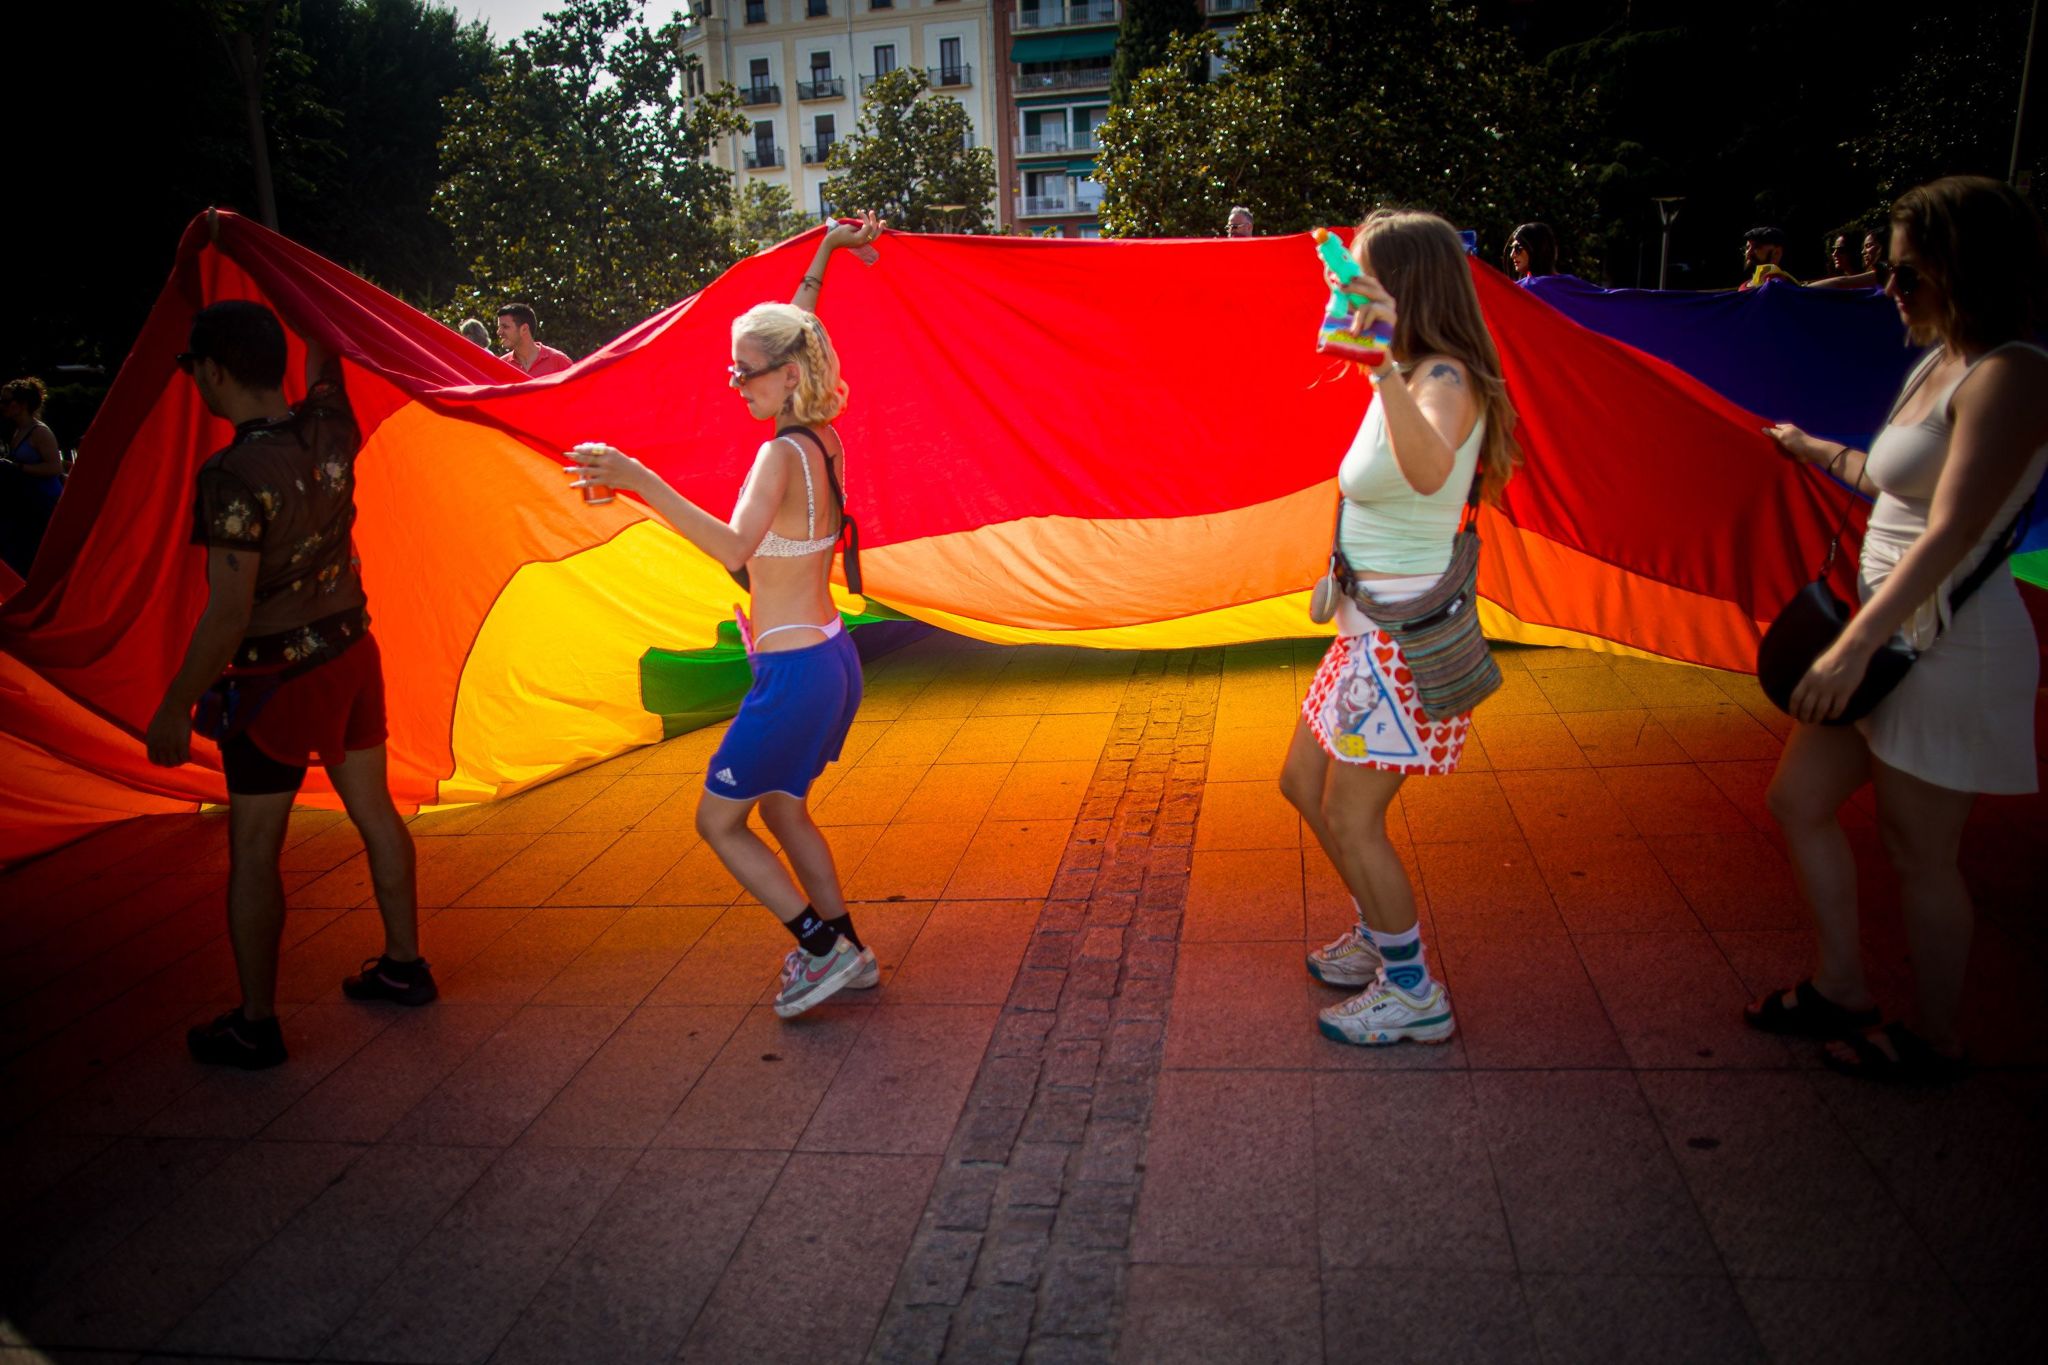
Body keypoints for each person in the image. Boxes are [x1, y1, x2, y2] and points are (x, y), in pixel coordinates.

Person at [1749, 175, 2048, 1082]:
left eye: (1908, 275)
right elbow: (1891, 486)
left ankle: (1936, 1037)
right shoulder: (1938, 360)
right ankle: (1842, 985)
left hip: (1942, 641)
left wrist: (1855, 643)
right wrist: (1809, 448)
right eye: (1890, 270)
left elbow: (1952, 527)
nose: (1889, 290)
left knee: (1923, 853)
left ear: (1969, 271)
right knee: (1797, 802)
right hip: (1887, 637)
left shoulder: (2015, 372)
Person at [566, 215, 885, 1020]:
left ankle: (822, 948)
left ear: (785, 376)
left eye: (746, 373)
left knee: (718, 820)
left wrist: (640, 475)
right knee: (781, 807)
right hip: (830, 656)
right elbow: (800, 325)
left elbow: (735, 547)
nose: (735, 383)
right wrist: (826, 252)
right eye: (733, 370)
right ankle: (852, 948)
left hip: (795, 673)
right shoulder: (824, 437)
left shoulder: (778, 456)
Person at [147, 301, 435, 1069]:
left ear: (212, 371)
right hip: (350, 651)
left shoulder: (231, 474)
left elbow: (228, 610)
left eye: (195, 370)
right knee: (375, 813)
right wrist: (294, 286)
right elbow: (325, 357)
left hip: (276, 678)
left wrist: (176, 702)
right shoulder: (329, 424)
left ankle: (255, 1020)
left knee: (254, 846)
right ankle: (405, 964)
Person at [1282, 209, 1521, 1046]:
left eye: (1371, 275)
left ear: (1409, 286)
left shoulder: (1442, 381)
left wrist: (1379, 361)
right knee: (1301, 785)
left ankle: (1413, 989)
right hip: (1364, 628)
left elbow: (1424, 477)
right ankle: (1377, 932)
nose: (1358, 289)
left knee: (1351, 816)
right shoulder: (1414, 371)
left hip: (1399, 640)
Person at [1, 376, 65, 578]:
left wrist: (17, 467)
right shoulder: (19, 430)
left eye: (6, 401)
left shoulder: (40, 432)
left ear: (22, 405)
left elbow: (55, 467)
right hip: (27, 503)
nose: (2, 406)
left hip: (44, 503)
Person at [496, 302, 573, 376]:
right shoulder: (501, 366)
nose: (498, 332)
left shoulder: (558, 361)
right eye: (499, 327)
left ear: (524, 329)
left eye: (505, 327)